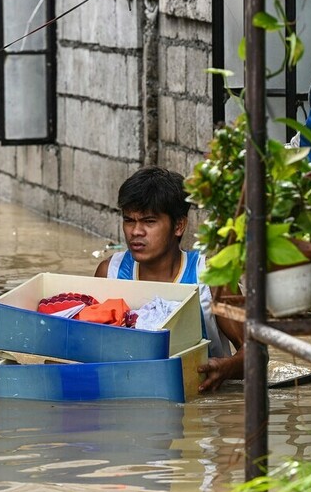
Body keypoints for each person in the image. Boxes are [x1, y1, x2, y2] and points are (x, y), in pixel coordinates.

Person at [94, 167, 244, 392]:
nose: (136, 231)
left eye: (149, 221)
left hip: (204, 408)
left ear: (179, 225)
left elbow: (257, 352)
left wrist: (227, 368)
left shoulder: (212, 278)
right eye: (129, 220)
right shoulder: (109, 273)